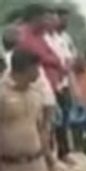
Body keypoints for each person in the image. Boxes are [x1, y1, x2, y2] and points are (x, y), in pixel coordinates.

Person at [15, 4, 67, 159]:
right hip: (32, 84)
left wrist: (56, 62)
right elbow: (37, 55)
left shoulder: (40, 36)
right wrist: (55, 62)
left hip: (49, 83)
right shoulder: (23, 35)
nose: (48, 21)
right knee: (36, 121)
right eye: (44, 17)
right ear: (35, 18)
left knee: (48, 122)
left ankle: (47, 154)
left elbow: (51, 55)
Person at [45, 5, 77, 160]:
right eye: (61, 19)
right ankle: (50, 152)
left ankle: (64, 151)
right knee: (51, 120)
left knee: (64, 119)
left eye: (66, 19)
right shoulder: (45, 38)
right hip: (50, 84)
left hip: (64, 84)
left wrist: (66, 67)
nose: (64, 22)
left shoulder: (65, 38)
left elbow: (71, 57)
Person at [68, 56, 86, 153]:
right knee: (76, 127)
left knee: (84, 128)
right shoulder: (71, 74)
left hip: (85, 103)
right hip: (75, 104)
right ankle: (77, 148)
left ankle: (83, 149)